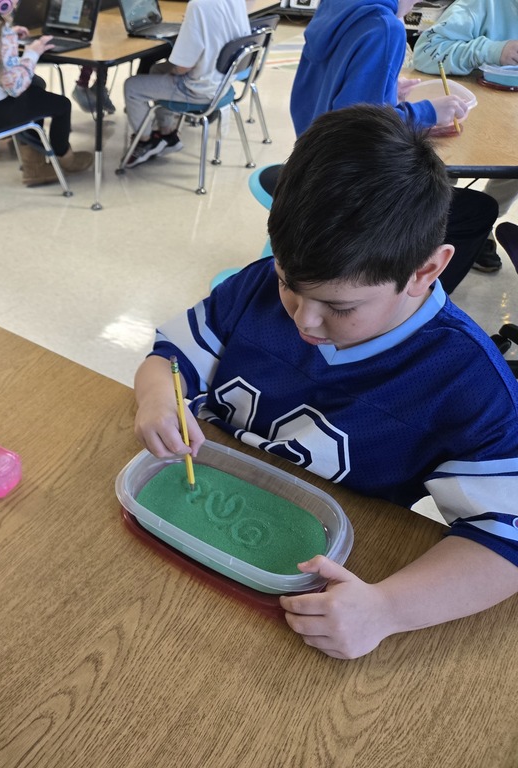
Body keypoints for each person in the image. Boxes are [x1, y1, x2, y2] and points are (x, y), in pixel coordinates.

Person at [133, 105, 518, 660]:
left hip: (304, 594)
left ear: (426, 271)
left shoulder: (467, 384)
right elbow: (170, 358)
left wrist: (388, 608)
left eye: (339, 306)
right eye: (291, 284)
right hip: (194, 534)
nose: (303, 320)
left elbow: (503, 540)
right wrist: (155, 398)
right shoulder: (257, 287)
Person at [287, 0, 500, 287]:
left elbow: (330, 99)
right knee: (479, 210)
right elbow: (360, 133)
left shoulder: (336, 7)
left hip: (307, 169)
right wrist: (427, 113)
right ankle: (408, 314)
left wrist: (387, 93)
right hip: (344, 195)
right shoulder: (385, 27)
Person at [413, 0, 518, 265]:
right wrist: (492, 50)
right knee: (443, 170)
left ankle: (481, 225)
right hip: (469, 114)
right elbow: (425, 52)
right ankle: (434, 227)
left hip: (511, 120)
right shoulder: (481, 4)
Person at [0, 0, 93, 186]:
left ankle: (34, 164)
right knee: (62, 105)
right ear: (2, 4)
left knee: (36, 87)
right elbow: (15, 86)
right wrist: (32, 52)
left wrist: (12, 39)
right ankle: (65, 157)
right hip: (1, 114)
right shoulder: (1, 34)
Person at [121, 0, 249, 168]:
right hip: (222, 83)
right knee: (156, 70)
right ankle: (168, 134)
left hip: (198, 91)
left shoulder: (198, 6)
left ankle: (146, 141)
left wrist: (192, 25)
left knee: (132, 86)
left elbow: (182, 68)